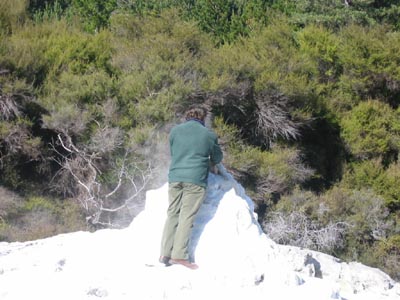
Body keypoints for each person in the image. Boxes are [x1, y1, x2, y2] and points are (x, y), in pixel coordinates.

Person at [159, 106, 223, 269]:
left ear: (187, 117)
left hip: (175, 177)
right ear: (203, 118)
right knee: (186, 215)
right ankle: (179, 256)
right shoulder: (208, 135)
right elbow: (217, 157)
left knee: (173, 212)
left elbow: (174, 152)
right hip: (195, 179)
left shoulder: (175, 131)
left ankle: (165, 252)